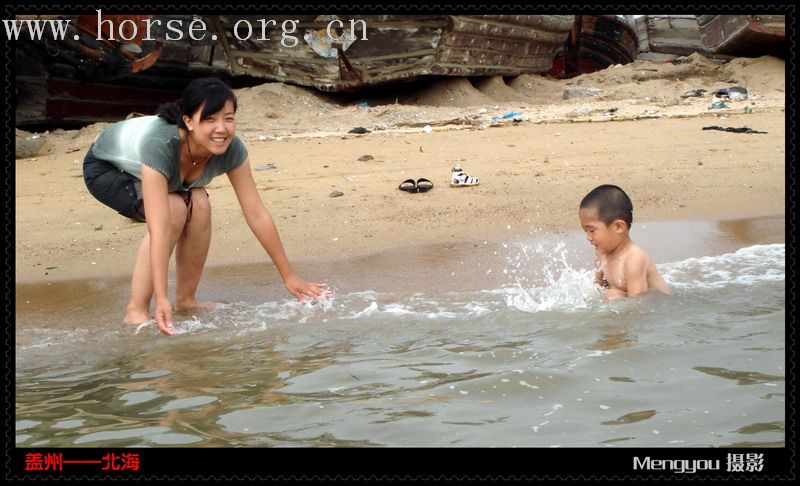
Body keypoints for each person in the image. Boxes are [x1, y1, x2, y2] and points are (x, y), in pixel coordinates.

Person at [83, 77, 327, 335]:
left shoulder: (233, 149)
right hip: (107, 167)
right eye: (209, 119)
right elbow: (160, 227)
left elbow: (256, 213)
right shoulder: (162, 145)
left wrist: (288, 275)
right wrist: (161, 297)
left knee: (199, 202)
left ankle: (187, 299)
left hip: (158, 172)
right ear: (188, 121)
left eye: (228, 118)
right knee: (175, 209)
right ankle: (136, 309)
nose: (221, 129)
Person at [578, 184, 670, 301]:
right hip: (627, 299)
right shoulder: (601, 254)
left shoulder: (633, 259)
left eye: (592, 231)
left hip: (659, 305)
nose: (588, 237)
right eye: (586, 231)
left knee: (612, 296)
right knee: (607, 295)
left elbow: (639, 304)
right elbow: (599, 288)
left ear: (618, 227)